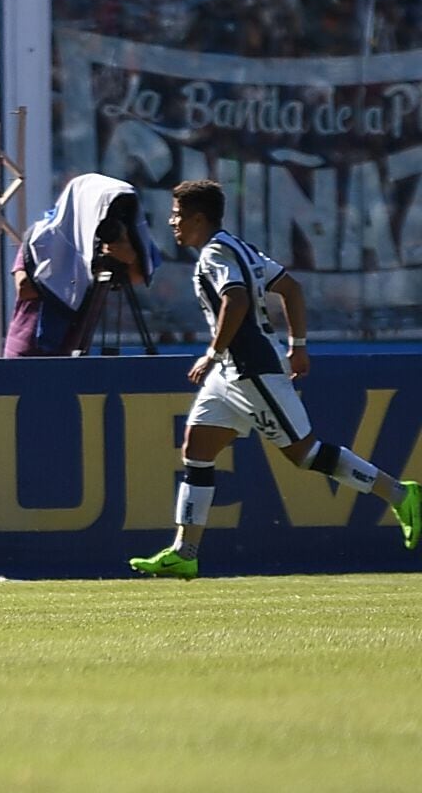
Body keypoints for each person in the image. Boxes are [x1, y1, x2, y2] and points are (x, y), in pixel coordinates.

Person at [129, 179, 420, 580]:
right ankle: (185, 551)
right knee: (196, 447)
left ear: (198, 218)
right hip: (233, 372)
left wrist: (212, 354)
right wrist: (298, 345)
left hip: (251, 370)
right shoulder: (237, 247)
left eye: (177, 215)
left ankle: (401, 494)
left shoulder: (215, 253)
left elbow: (237, 298)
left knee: (305, 454)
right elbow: (291, 287)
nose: (171, 222)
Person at [4, 173, 158, 357]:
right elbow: (23, 288)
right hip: (28, 348)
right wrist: (76, 273)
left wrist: (129, 254)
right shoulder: (41, 237)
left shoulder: (98, 245)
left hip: (71, 351)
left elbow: (139, 277)